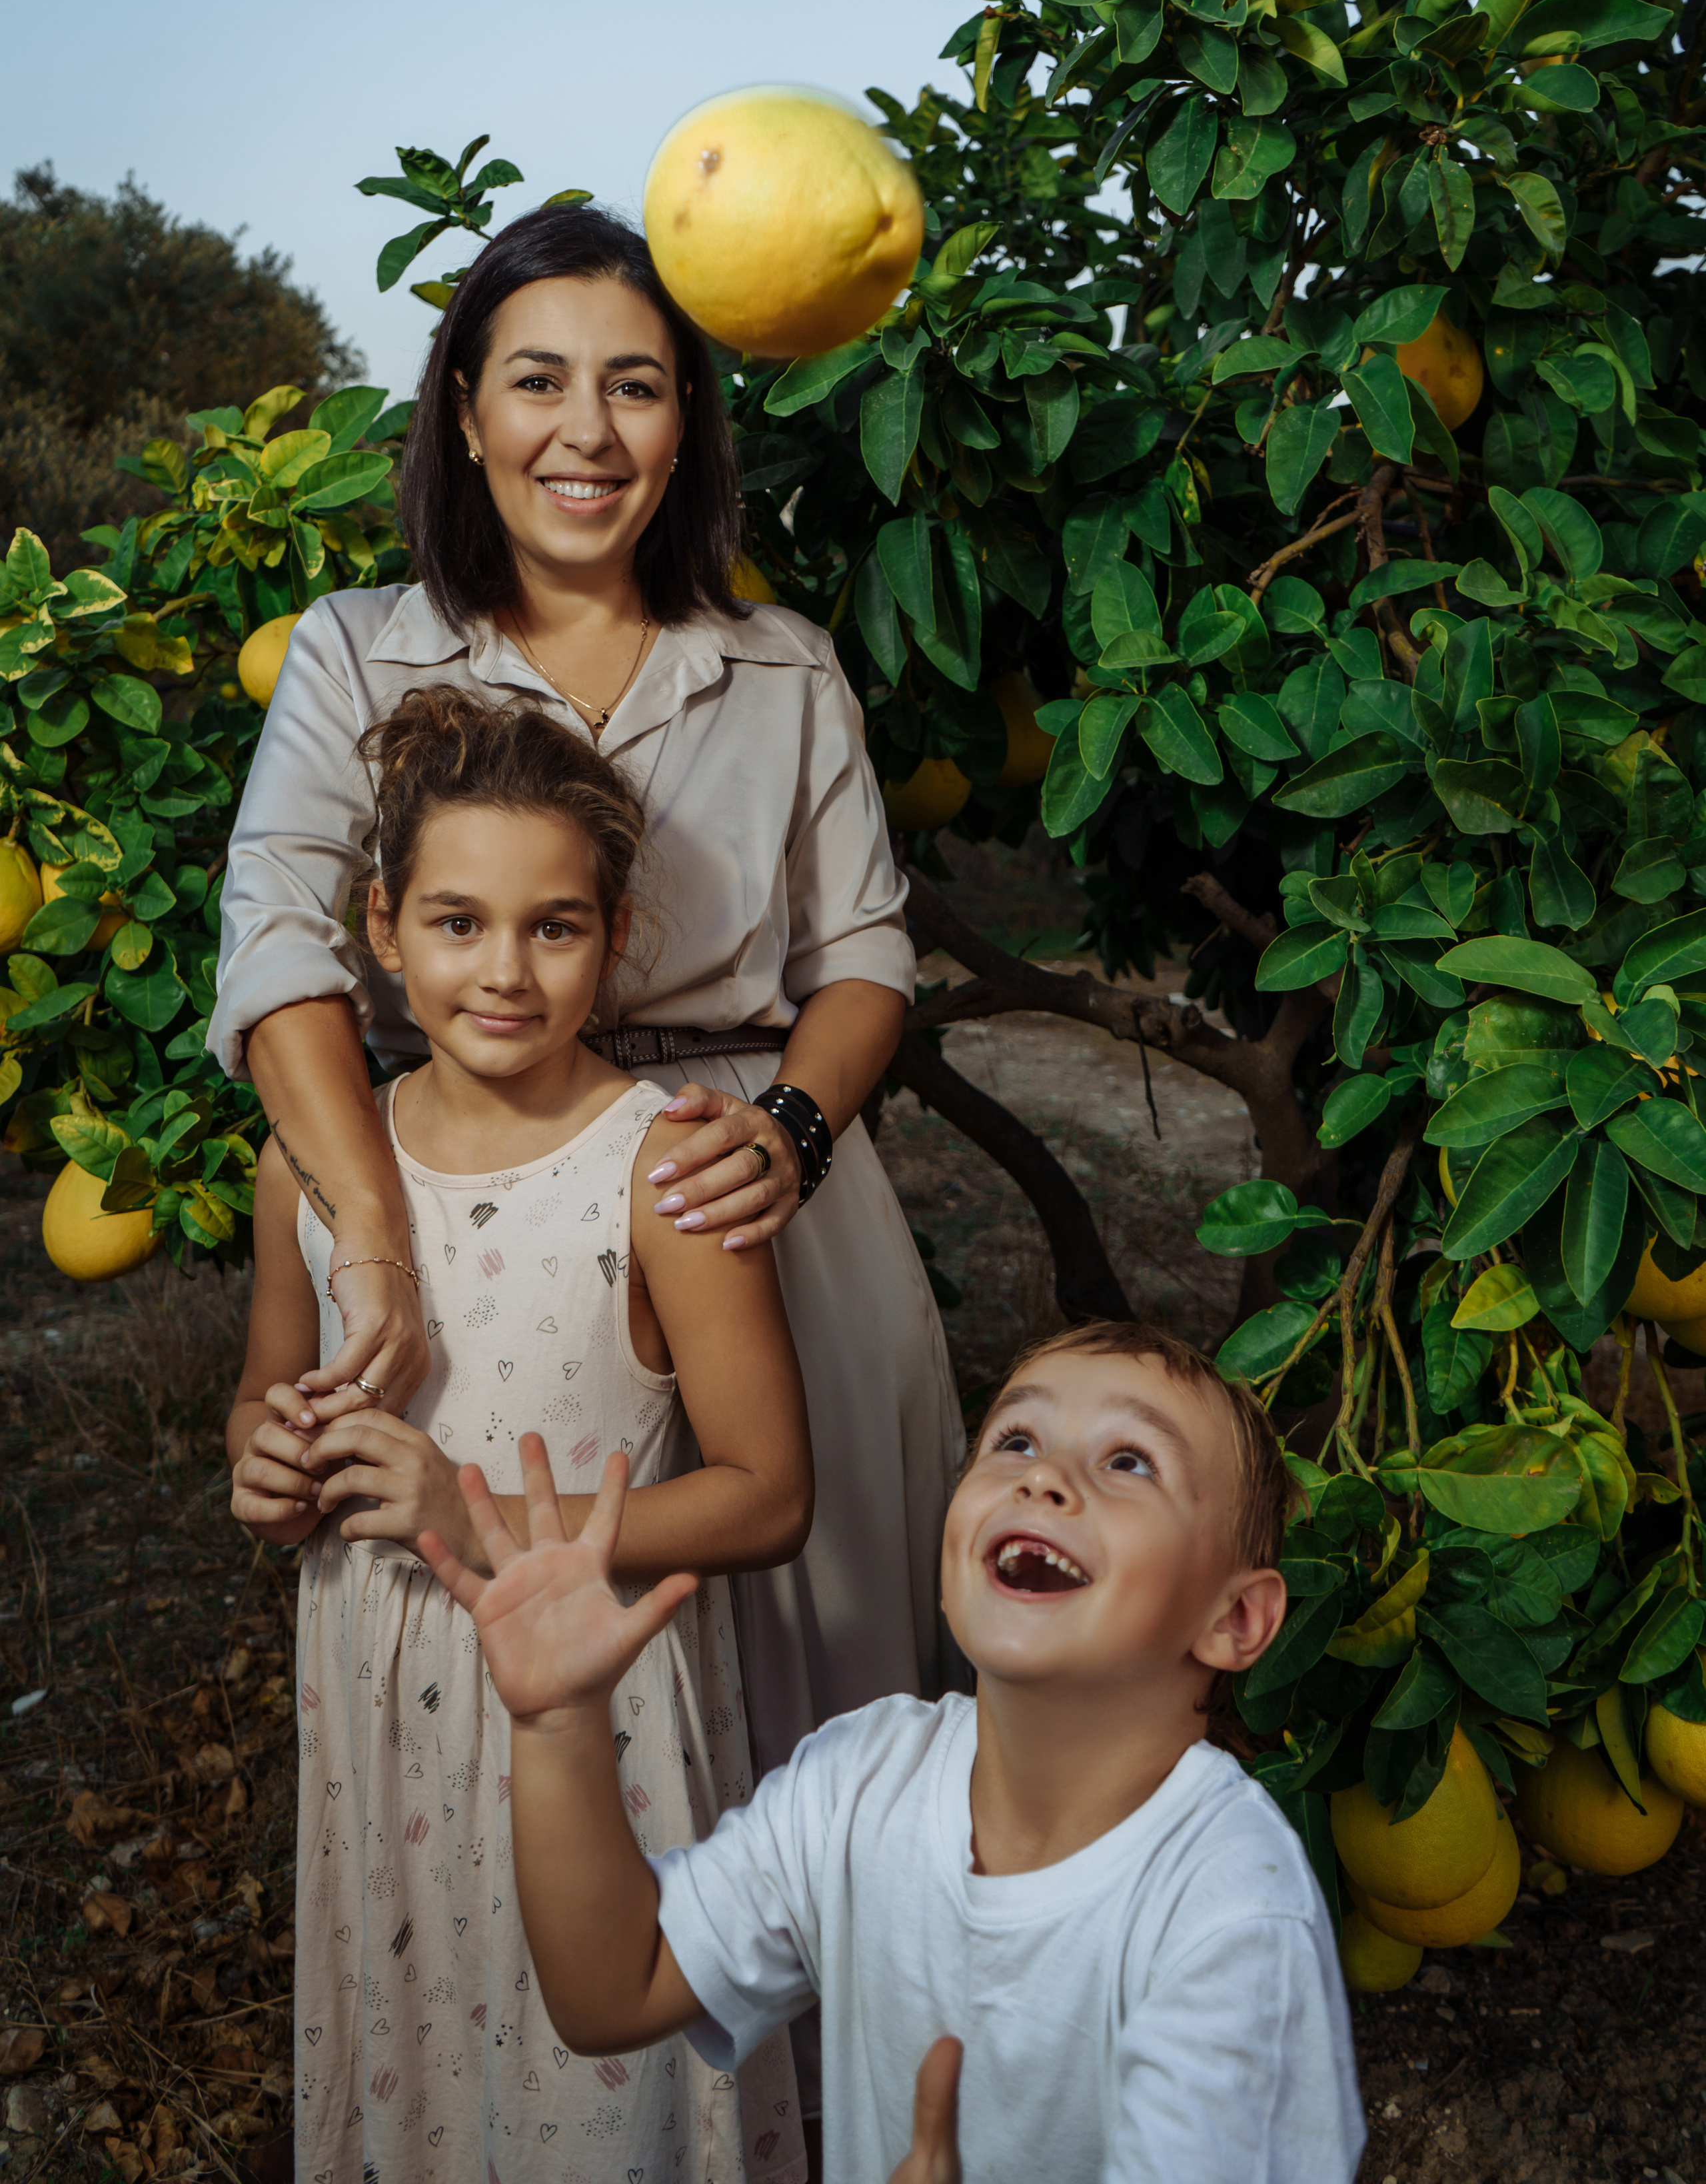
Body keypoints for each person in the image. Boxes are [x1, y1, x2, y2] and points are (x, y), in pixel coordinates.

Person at [209, 202, 962, 1773]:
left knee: (815, 1699)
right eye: (538, 380)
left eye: (635, 384)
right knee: (522, 1695)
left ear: (685, 428)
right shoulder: (359, 653)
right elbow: (279, 937)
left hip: (737, 1190)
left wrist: (793, 1134)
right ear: (465, 410)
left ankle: (826, 2024)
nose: (586, 429)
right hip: (476, 1205)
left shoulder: (782, 666)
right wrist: (376, 1248)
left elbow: (865, 957)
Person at [225, 686, 812, 2183]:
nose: (502, 971)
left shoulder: (663, 1170)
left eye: (552, 927)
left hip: (592, 1703)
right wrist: (267, 1464)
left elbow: (765, 1497)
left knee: (587, 2097)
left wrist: (475, 1515)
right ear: (380, 923)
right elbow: (263, 1396)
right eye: (456, 922)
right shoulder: (308, 1170)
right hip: (376, 1691)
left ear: (614, 938)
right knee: (420, 2060)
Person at [419, 1320, 1368, 2184]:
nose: (1043, 1478)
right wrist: (558, 1725)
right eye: (1016, 1441)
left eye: (1130, 1462)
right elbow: (613, 1991)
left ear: (1236, 1619)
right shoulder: (864, 1781)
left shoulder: (1228, 1912)